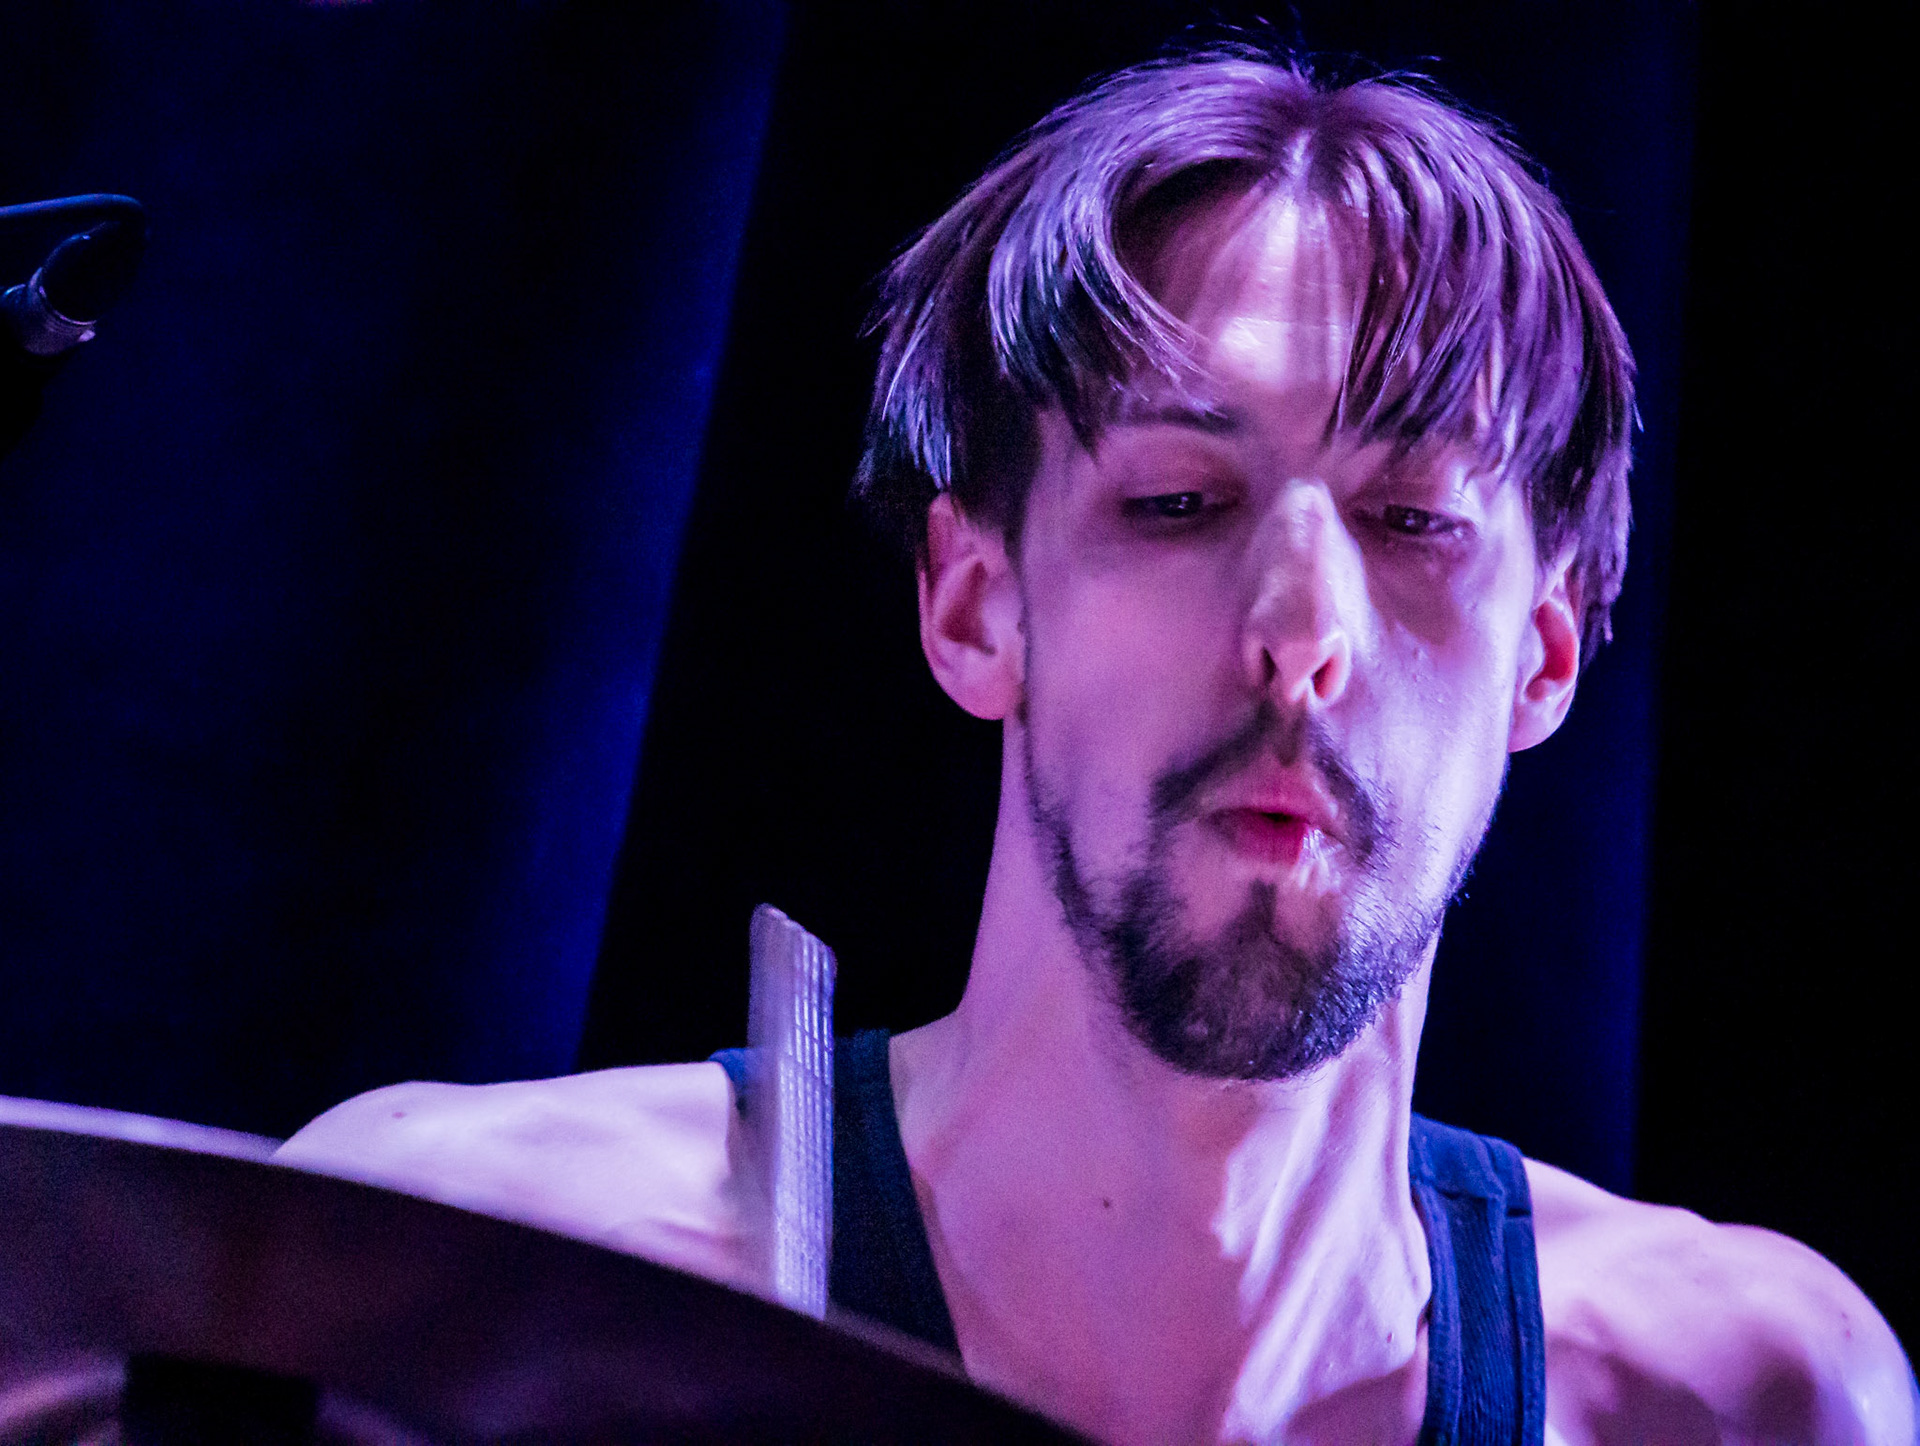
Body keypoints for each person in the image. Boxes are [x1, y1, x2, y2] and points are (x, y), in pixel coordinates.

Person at [279, 52, 1914, 1445]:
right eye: (1179, 501)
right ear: (976, 605)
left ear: (1544, 657)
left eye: (1413, 519)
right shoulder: (456, 1274)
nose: (1301, 628)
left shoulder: (1733, 1394)